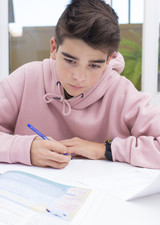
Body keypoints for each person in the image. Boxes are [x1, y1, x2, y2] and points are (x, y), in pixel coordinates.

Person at [0, 0, 160, 170]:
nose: (79, 77)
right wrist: (26, 148)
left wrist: (105, 150)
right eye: (70, 60)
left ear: (108, 61)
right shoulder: (26, 78)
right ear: (54, 48)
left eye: (94, 65)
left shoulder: (122, 93)